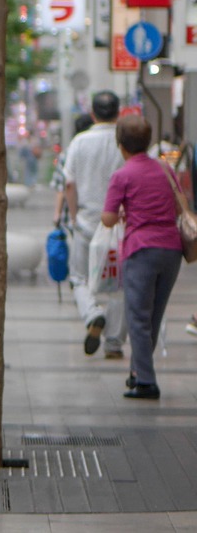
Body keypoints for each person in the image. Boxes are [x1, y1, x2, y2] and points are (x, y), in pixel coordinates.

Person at [101, 115, 183, 399]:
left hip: (141, 250)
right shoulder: (164, 169)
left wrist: (124, 211)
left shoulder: (122, 175)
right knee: (154, 316)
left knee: (137, 316)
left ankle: (147, 381)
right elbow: (177, 205)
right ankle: (137, 372)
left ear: (120, 144)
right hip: (172, 250)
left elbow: (109, 219)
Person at [63, 91, 126, 357]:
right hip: (118, 226)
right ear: (119, 113)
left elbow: (69, 183)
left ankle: (92, 314)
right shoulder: (125, 142)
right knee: (119, 285)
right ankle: (113, 343)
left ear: (92, 114)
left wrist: (74, 215)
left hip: (87, 223)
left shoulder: (79, 142)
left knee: (78, 278)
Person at [51, 114, 94, 229]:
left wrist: (57, 214)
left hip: (72, 213)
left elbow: (63, 187)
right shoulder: (98, 151)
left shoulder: (67, 154)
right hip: (97, 212)